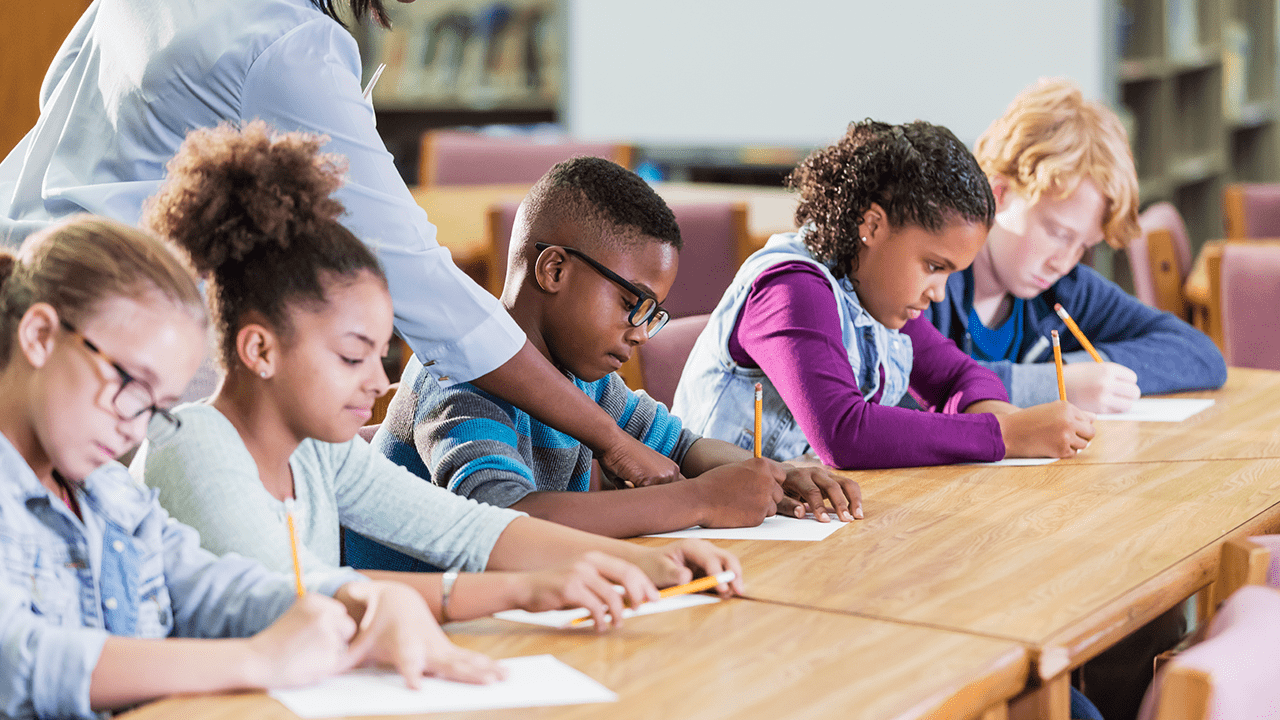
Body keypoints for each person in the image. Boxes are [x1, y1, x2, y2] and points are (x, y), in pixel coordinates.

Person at [0, 0, 680, 490]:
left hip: (41, 305)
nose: (381, 384)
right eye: (353, 355)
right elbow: (432, 299)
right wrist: (610, 441)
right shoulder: (286, 44)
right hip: (114, 356)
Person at [132, 122, 743, 627]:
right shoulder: (190, 445)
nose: (378, 385)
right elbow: (297, 600)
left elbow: (470, 528)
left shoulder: (320, 452)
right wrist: (527, 589)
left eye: (381, 356)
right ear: (260, 350)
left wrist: (644, 560)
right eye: (352, 357)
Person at [0, 215, 506, 719]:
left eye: (156, 407)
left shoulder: (106, 492)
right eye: (133, 387)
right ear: (42, 335)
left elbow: (206, 584)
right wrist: (254, 660)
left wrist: (361, 599)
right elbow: (20, 660)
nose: (135, 429)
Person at [370, 157, 862, 543]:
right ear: (554, 270)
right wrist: (698, 501)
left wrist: (775, 480)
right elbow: (502, 521)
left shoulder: (588, 380)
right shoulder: (458, 376)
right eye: (632, 303)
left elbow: (682, 448)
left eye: (653, 313)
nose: (642, 334)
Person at [671, 120, 1096, 470]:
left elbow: (959, 377)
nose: (939, 293)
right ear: (873, 226)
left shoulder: (873, 292)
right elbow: (845, 433)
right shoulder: (791, 290)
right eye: (933, 266)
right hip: (729, 536)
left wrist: (1001, 418)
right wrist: (1004, 434)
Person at [925, 78, 1226, 412]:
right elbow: (903, 387)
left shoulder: (1064, 291)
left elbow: (1200, 354)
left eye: (1085, 245)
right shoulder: (927, 281)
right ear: (1000, 193)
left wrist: (1081, 370)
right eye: (1059, 233)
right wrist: (1052, 385)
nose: (1064, 262)